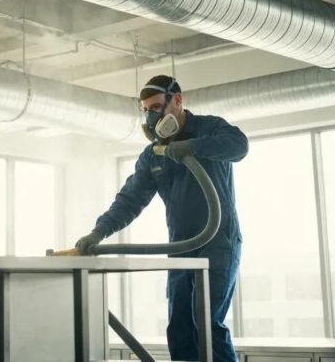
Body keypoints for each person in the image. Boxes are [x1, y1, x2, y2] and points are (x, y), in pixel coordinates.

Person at [75, 75, 248, 362]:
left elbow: (239, 146)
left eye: (157, 107)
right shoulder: (153, 154)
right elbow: (130, 200)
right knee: (180, 328)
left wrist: (192, 147)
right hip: (180, 249)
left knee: (205, 322)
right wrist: (99, 232)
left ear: (177, 101)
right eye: (146, 111)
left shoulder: (211, 128)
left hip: (218, 243)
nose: (152, 117)